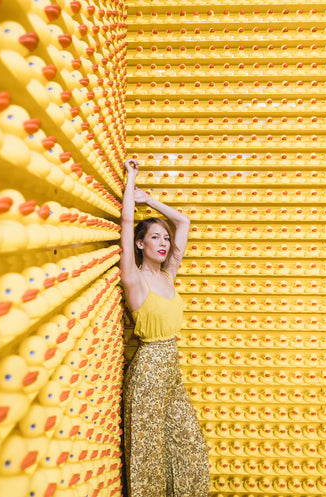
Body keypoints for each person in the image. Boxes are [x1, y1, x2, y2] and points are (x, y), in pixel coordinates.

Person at [120, 158, 210, 496]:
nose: (164, 243)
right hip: (148, 371)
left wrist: (150, 201)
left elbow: (183, 222)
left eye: (165, 239)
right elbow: (128, 221)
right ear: (140, 244)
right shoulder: (136, 279)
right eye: (154, 237)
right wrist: (131, 180)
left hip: (170, 370)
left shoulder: (168, 275)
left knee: (190, 447)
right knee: (149, 460)